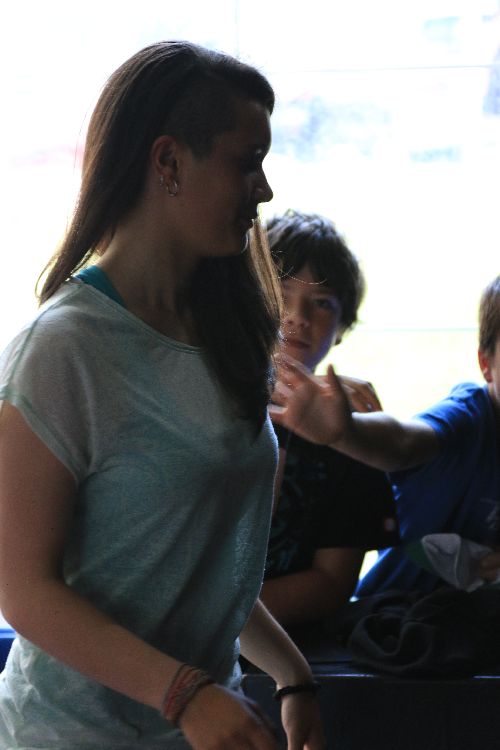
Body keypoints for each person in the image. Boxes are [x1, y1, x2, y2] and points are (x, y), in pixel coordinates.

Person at [0, 42, 325, 750]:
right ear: (170, 163)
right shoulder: (61, 350)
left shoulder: (227, 334)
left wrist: (292, 676)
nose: (265, 190)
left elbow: (198, 566)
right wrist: (185, 694)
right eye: (247, 162)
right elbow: (23, 592)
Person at [270, 274, 500, 596]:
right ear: (486, 364)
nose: (298, 317)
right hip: (396, 611)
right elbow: (403, 442)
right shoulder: (469, 418)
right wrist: (348, 432)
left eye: (321, 302)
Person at [260, 210, 399, 630]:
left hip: (285, 638)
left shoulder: (351, 432)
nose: (297, 316)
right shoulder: (195, 395)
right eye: (281, 293)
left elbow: (332, 582)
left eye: (321, 303)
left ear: (343, 326)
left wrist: (215, 620)